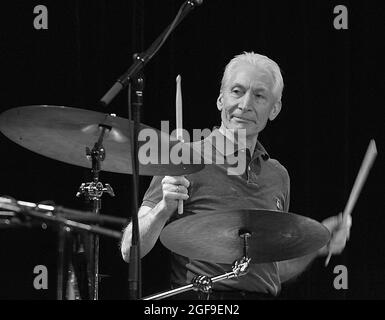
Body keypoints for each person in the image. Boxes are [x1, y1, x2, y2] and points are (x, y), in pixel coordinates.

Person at [120, 52, 352, 300]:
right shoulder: (185, 158)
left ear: (274, 109)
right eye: (237, 92)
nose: (245, 105)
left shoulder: (278, 175)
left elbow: (268, 270)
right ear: (221, 100)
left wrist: (318, 247)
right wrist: (163, 208)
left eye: (259, 96)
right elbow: (129, 249)